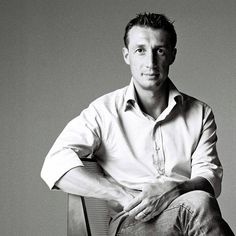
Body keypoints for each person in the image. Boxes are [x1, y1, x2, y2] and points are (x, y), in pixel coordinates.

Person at [41, 13, 234, 235]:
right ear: (126, 55)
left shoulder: (200, 113)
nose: (150, 63)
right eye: (140, 50)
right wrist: (121, 194)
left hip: (191, 217)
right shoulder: (104, 111)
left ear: (172, 55)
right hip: (132, 222)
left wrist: (173, 190)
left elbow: (210, 181)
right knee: (200, 203)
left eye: (159, 50)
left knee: (199, 202)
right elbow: (54, 163)